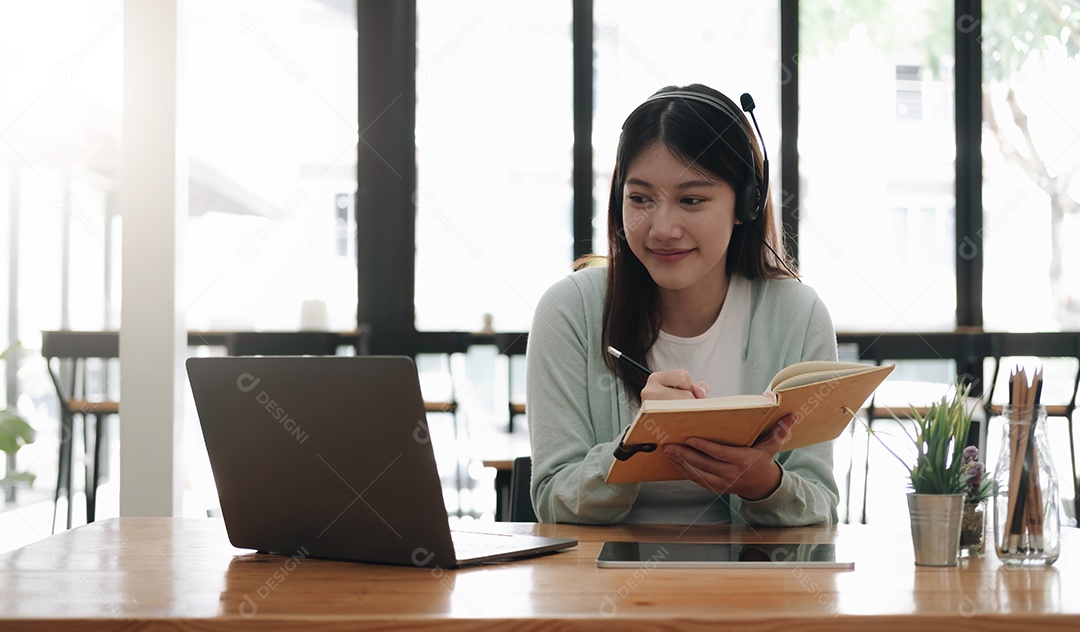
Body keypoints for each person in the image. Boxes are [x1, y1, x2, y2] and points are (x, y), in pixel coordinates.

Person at [526, 84, 839, 526]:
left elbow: (821, 506)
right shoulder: (571, 310)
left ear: (745, 203)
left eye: (691, 200)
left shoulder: (797, 315)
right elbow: (553, 500)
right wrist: (634, 444)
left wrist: (765, 485)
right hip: (603, 571)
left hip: (755, 571)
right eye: (640, 199)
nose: (662, 228)